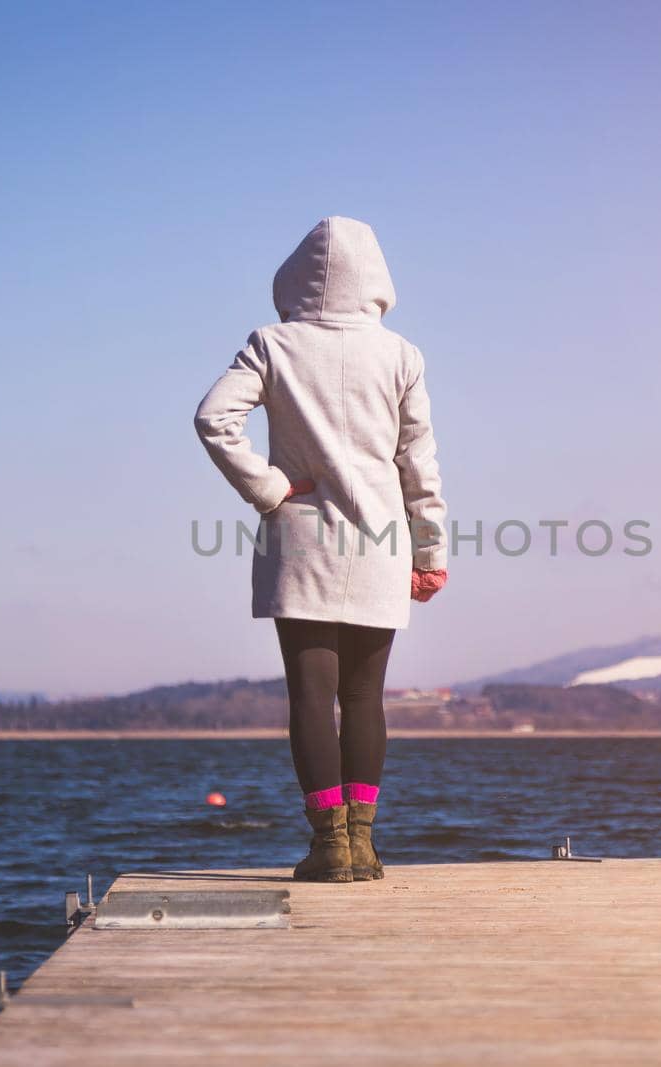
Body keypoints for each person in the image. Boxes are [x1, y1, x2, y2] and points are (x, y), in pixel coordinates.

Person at [194, 216, 448, 882]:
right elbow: (418, 462)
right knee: (366, 698)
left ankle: (328, 845)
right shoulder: (402, 355)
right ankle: (364, 844)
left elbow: (212, 419)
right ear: (376, 279)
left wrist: (271, 487)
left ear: (296, 276)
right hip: (382, 542)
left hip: (301, 539)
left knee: (311, 696)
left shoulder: (273, 345)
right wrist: (431, 549)